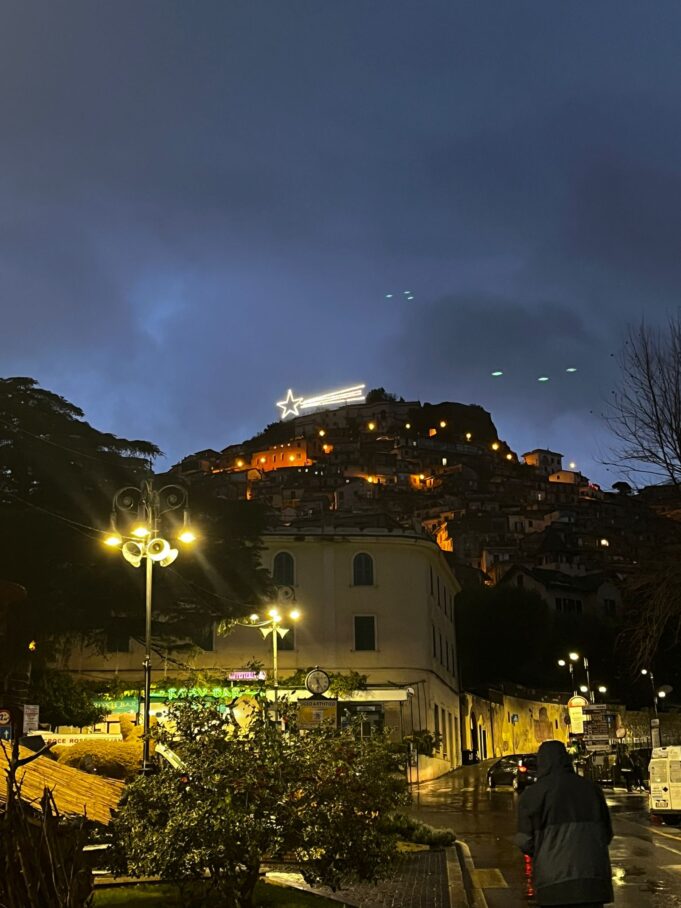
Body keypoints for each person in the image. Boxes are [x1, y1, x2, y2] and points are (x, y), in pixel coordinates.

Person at [515, 740, 613, 907]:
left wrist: (546, 851)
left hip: (553, 883)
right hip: (593, 882)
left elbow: (525, 841)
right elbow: (606, 833)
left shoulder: (532, 795)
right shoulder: (592, 789)